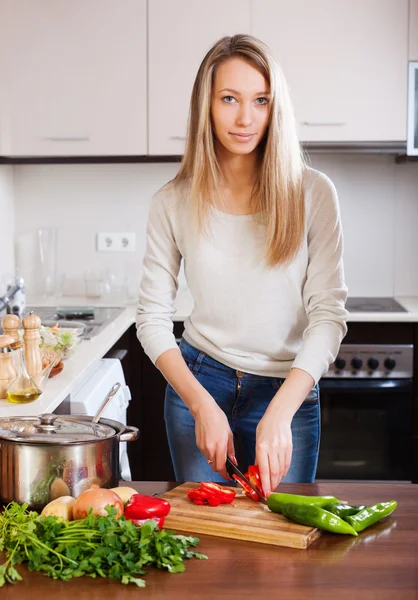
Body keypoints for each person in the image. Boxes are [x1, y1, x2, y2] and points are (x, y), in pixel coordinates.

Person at [136, 34, 348, 496]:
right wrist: (199, 405)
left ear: (276, 108)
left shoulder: (313, 194)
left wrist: (282, 411)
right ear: (206, 105)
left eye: (261, 100)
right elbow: (151, 317)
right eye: (229, 98)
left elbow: (328, 317)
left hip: (286, 388)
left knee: (282, 550)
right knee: (206, 547)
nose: (245, 117)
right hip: (200, 381)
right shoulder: (173, 202)